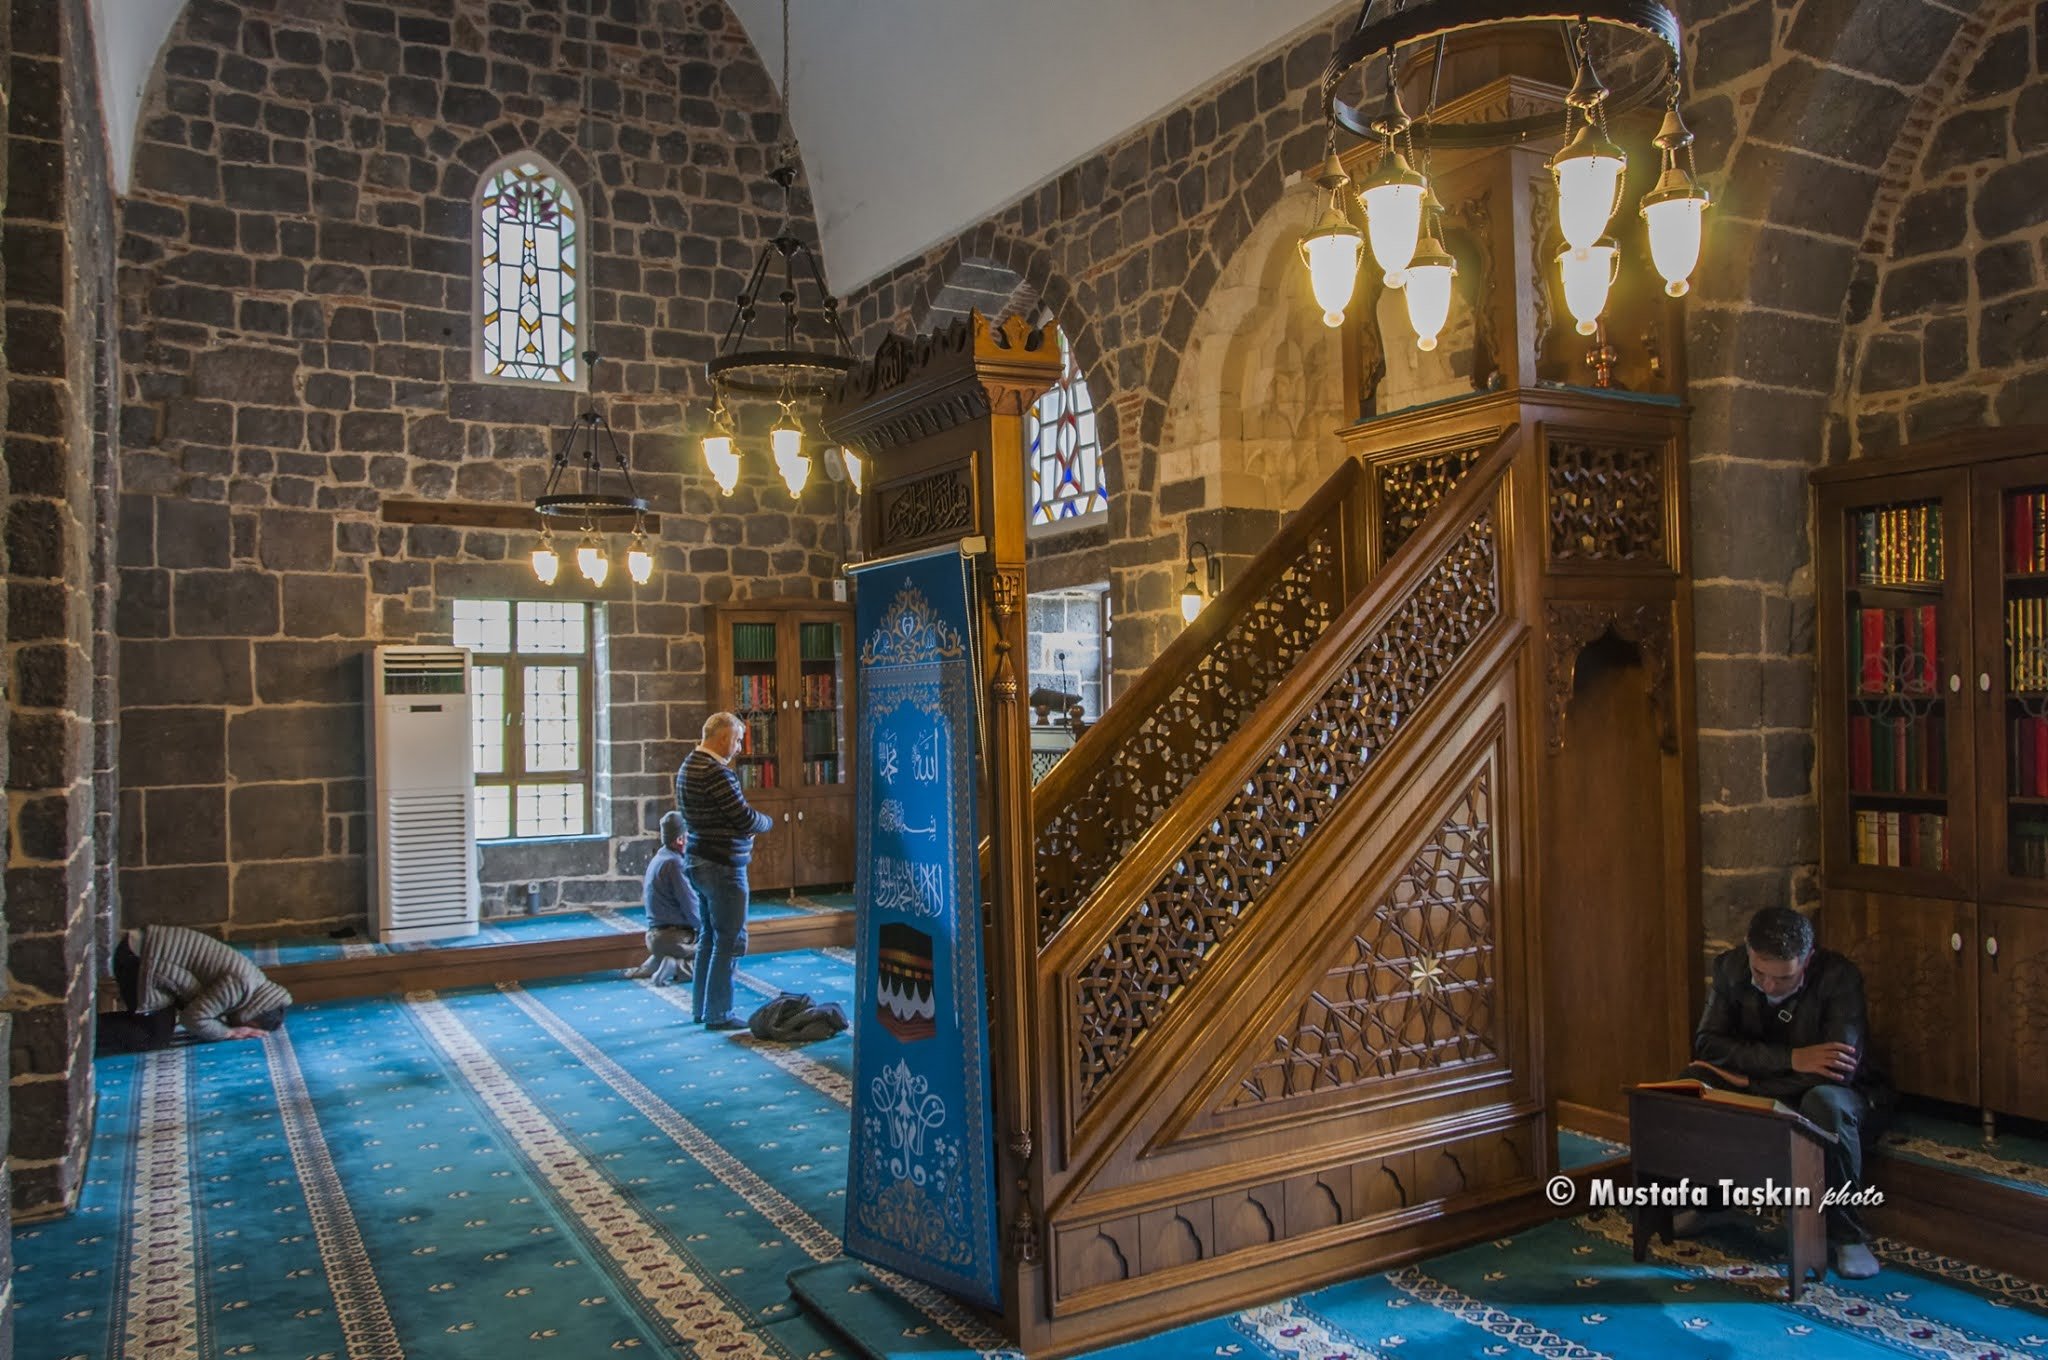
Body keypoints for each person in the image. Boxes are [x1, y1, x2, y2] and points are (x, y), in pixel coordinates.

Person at [1678, 905, 1889, 1280]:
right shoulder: (1730, 968)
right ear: (1748, 951)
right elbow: (1708, 1045)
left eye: (1783, 978)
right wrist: (1793, 1058)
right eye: (1760, 973)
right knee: (1694, 1081)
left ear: (1807, 960)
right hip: (1783, 1075)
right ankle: (1710, 1204)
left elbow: (1840, 1072)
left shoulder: (1839, 978)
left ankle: (1848, 1236)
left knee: (1823, 1103)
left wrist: (1754, 1082)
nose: (1769, 986)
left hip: (1835, 1093)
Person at [676, 710, 774, 1030]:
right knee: (729, 941)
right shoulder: (716, 773)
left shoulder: (689, 765)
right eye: (736, 740)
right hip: (722, 865)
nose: (738, 748)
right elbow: (744, 818)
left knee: (709, 938)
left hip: (698, 860)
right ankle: (719, 1014)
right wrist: (766, 822)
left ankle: (701, 1009)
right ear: (721, 738)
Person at [104, 925, 292, 1049]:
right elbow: (193, 1019)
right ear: (252, 1013)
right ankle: (85, 1035)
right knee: (152, 1037)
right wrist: (229, 1032)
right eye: (248, 1024)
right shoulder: (241, 986)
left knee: (162, 1026)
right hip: (142, 959)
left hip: (146, 950)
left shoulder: (255, 981)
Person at [625, 810, 700, 986]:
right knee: (719, 956)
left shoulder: (660, 857)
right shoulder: (675, 865)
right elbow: (691, 907)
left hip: (655, 937)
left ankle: (657, 962)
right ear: (681, 839)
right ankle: (675, 966)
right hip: (675, 938)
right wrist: (709, 931)